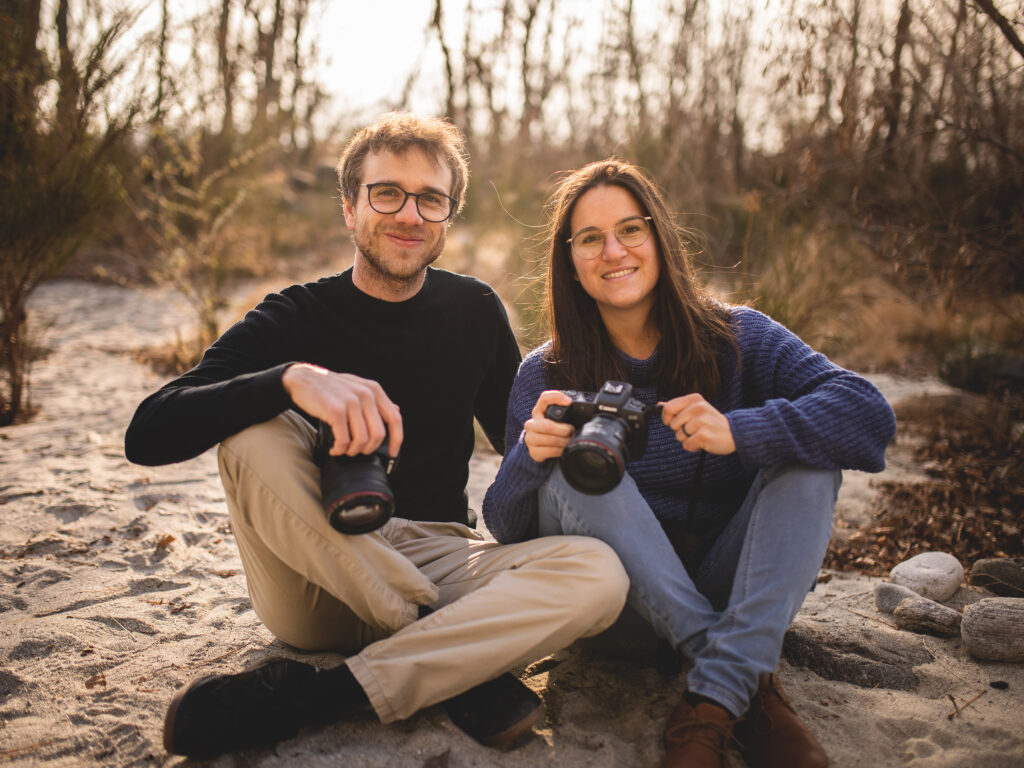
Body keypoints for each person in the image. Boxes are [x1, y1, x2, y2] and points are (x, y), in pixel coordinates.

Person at [124, 114, 629, 760]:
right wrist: (291, 381)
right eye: (386, 192)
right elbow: (149, 431)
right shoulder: (296, 315)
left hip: (440, 554)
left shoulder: (475, 311)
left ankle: (316, 696)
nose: (409, 214)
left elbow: (520, 453)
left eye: (431, 199)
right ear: (349, 207)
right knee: (250, 434)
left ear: (450, 215)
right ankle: (441, 645)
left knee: (600, 575)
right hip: (318, 570)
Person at [482, 159, 897, 768]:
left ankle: (709, 697)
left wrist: (739, 430)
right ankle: (737, 683)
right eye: (590, 238)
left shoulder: (740, 338)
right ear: (569, 261)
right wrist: (527, 458)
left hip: (736, 583)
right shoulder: (547, 372)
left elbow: (869, 416)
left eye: (630, 229)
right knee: (584, 465)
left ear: (660, 237)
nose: (613, 251)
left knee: (809, 461)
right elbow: (505, 527)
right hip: (619, 615)